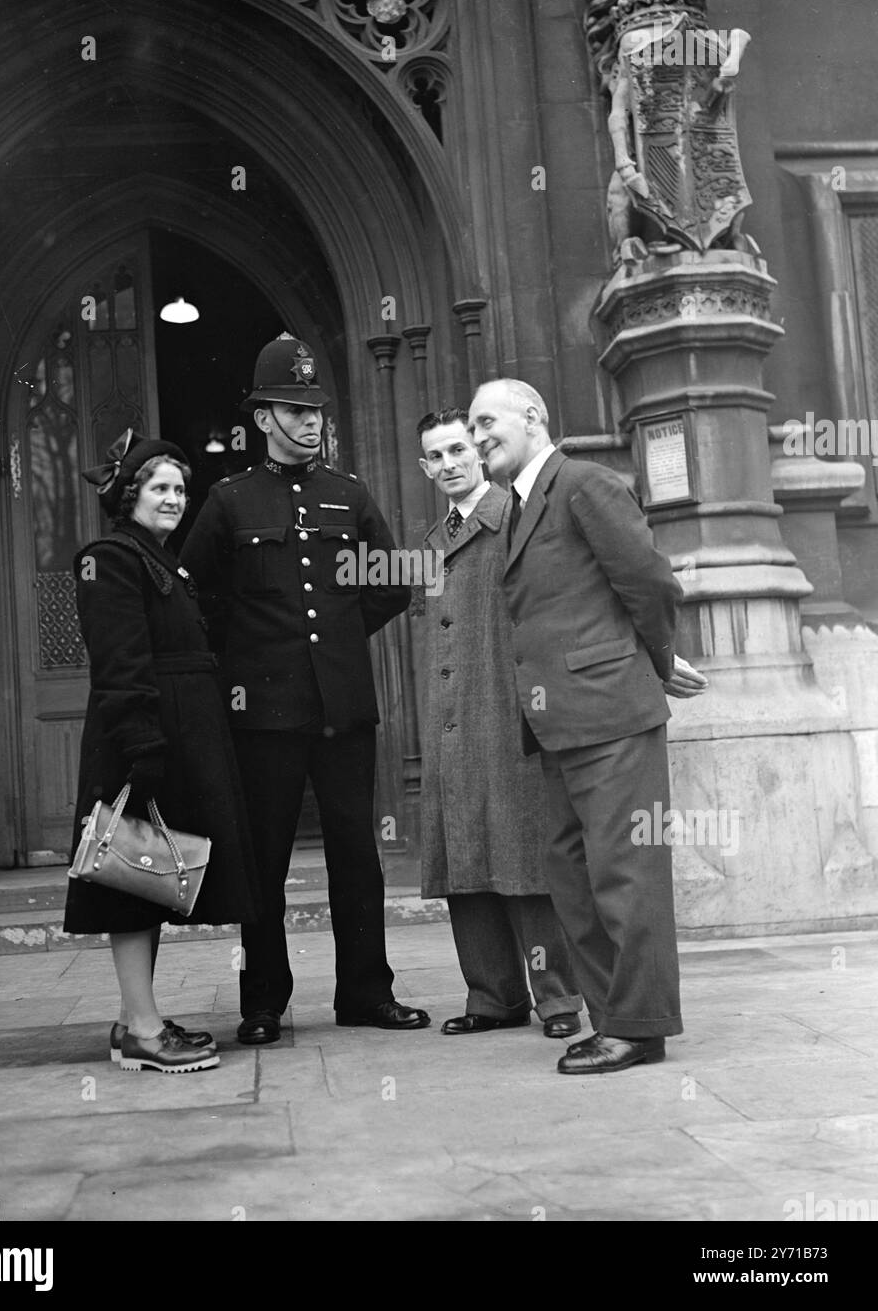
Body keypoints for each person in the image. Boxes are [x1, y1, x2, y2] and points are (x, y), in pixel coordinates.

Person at [180, 334, 429, 1044]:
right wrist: (247, 662)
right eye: (294, 408)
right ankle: (263, 1002)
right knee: (264, 861)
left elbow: (389, 583)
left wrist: (343, 642)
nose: (311, 421)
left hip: (343, 708)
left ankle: (365, 993)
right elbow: (197, 598)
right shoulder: (229, 501)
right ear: (263, 418)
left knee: (358, 854)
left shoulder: (348, 494)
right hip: (263, 713)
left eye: (316, 407)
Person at [468, 378, 708, 1075]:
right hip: (556, 723)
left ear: (533, 416)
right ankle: (613, 1019)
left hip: (610, 713)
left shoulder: (585, 483)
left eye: (489, 422)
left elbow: (649, 582)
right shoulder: (517, 505)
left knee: (625, 875)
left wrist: (656, 661)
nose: (480, 437)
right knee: (571, 878)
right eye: (473, 428)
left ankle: (638, 1026)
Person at [63, 428, 261, 1074]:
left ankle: (134, 1020)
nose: (174, 498)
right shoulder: (110, 558)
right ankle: (144, 1032)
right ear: (130, 496)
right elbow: (120, 661)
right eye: (159, 488)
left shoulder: (160, 561)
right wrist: (142, 744)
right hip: (142, 736)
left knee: (149, 878)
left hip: (179, 734)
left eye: (180, 488)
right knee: (130, 878)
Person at [416, 409, 583, 1038]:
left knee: (524, 855)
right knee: (465, 854)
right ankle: (492, 996)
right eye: (436, 456)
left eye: (458, 449)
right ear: (425, 467)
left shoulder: (516, 518)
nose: (450, 464)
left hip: (510, 712)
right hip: (452, 719)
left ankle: (559, 999)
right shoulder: (432, 543)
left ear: (480, 451)